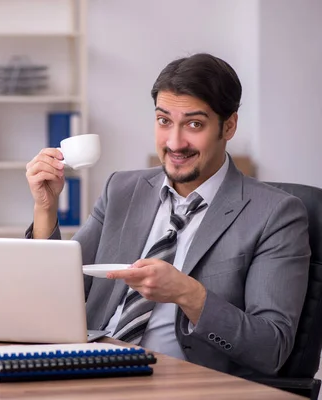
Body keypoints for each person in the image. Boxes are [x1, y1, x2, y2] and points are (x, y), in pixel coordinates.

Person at [24, 53, 310, 378]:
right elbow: (57, 292)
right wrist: (45, 208)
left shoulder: (275, 214)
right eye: (164, 121)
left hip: (183, 383)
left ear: (228, 126)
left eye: (194, 124)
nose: (175, 142)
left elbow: (271, 347)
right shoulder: (123, 189)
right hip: (89, 366)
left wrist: (188, 294)